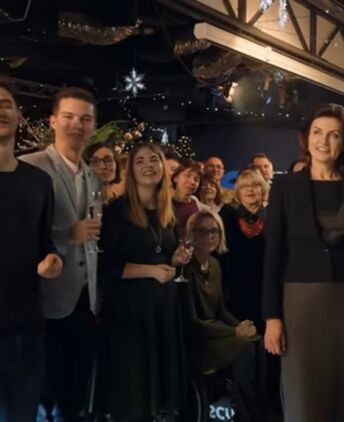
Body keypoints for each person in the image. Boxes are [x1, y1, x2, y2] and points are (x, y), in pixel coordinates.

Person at [263, 104, 344, 422]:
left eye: (334, 135)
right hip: (299, 302)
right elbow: (273, 254)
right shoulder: (285, 186)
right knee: (304, 394)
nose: (324, 141)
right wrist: (271, 316)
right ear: (306, 138)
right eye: (317, 132)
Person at [93, 143, 192, 421]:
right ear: (131, 171)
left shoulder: (168, 211)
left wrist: (176, 259)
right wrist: (151, 271)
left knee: (160, 397)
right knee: (134, 393)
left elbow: (163, 257)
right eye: (140, 161)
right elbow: (107, 266)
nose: (148, 166)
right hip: (132, 312)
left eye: (154, 160)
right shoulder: (117, 211)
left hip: (163, 308)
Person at [20, 87, 101, 422]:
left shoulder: (92, 175)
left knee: (75, 386)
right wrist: (68, 236)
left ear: (93, 126)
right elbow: (17, 235)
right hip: (45, 298)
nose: (77, 125)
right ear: (53, 121)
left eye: (85, 119)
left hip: (85, 298)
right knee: (44, 390)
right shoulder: (29, 167)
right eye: (68, 117)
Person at [0, 80, 62, 422]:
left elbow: (45, 243)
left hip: (25, 326)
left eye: (6, 104)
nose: (1, 110)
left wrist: (52, 260)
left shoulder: (38, 182)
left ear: (18, 114)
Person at [182, 210, 262, 422]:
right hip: (198, 340)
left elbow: (221, 311)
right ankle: (246, 413)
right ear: (191, 234)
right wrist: (235, 331)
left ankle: (254, 405)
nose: (209, 236)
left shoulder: (215, 265)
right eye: (202, 231)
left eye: (214, 231)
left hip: (217, 333)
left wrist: (242, 326)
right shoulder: (186, 268)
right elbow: (192, 322)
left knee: (258, 340)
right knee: (244, 346)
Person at [219, 168, 268, 330]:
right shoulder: (227, 216)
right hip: (236, 288)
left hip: (267, 286)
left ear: (263, 189)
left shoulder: (273, 216)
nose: (250, 190)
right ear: (237, 192)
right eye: (244, 186)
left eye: (255, 185)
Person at [171, 160, 205, 234]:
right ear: (176, 178)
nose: (192, 182)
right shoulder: (166, 203)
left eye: (196, 179)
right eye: (188, 175)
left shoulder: (195, 202)